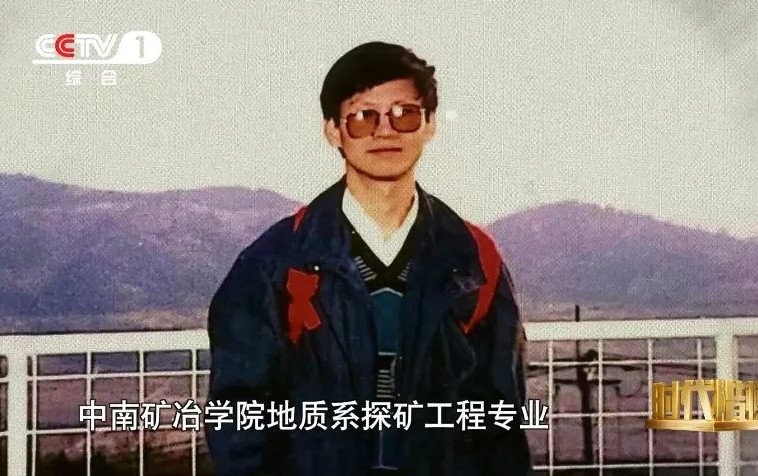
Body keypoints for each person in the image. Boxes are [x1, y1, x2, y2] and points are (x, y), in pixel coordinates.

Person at [204, 41, 531, 476]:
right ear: (333, 131)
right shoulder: (274, 264)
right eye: (363, 117)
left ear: (430, 124)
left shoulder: (473, 259)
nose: (385, 131)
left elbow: (501, 419)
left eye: (404, 113)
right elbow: (239, 418)